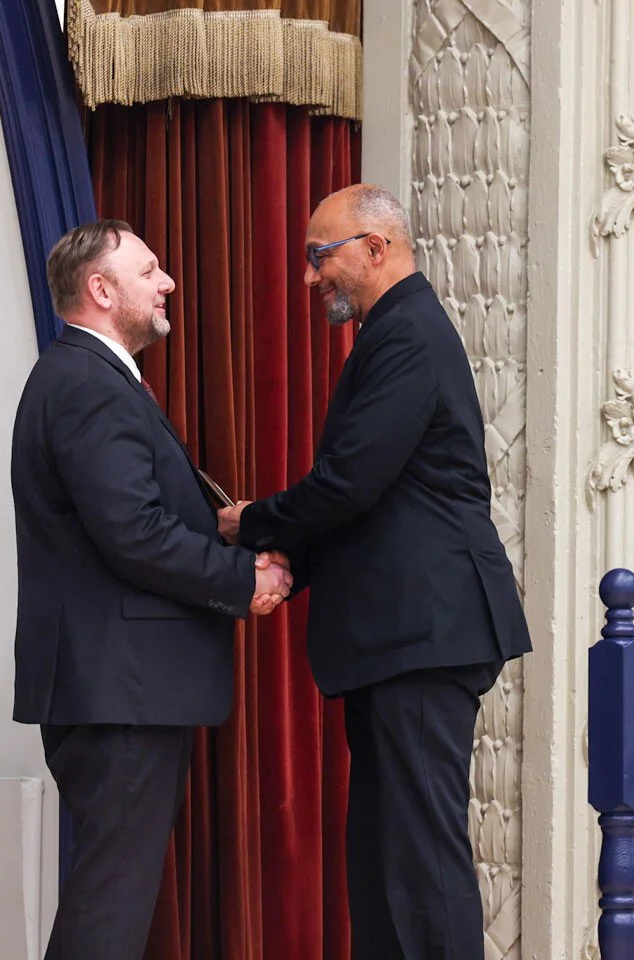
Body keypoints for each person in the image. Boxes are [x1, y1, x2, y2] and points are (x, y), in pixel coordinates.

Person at [217, 184, 533, 960]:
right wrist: (292, 558)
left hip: (423, 633)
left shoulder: (408, 335)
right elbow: (374, 498)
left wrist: (252, 524)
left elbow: (353, 481)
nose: (309, 277)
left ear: (374, 247)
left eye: (318, 256)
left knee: (419, 858)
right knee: (386, 856)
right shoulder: (394, 333)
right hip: (404, 635)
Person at [10, 219, 292, 960]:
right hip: (120, 688)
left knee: (110, 897)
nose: (167, 283)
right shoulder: (88, 384)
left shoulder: (83, 377)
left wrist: (224, 533)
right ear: (100, 290)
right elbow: (132, 531)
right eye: (149, 271)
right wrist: (243, 579)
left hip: (116, 684)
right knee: (110, 907)